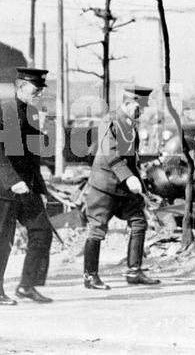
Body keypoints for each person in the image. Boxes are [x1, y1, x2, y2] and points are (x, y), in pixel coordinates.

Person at [0, 68, 53, 305]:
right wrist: (14, 182)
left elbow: (33, 154)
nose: (39, 93)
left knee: (42, 230)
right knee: (2, 239)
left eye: (41, 89)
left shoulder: (31, 112)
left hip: (26, 187)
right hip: (3, 188)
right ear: (21, 87)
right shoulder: (2, 111)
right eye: (36, 89)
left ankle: (27, 285)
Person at [82, 86, 160, 290]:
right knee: (97, 229)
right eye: (138, 107)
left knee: (138, 222)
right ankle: (90, 276)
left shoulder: (130, 125)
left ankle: (134, 271)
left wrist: (141, 187)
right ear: (127, 102)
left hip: (124, 188)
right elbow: (111, 154)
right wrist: (128, 178)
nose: (141, 111)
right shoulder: (110, 121)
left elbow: (132, 161)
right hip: (104, 186)